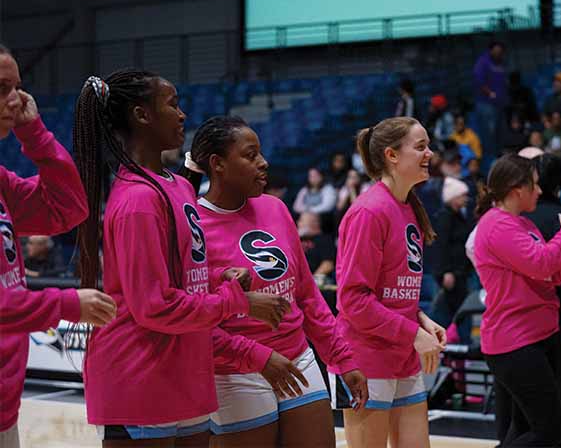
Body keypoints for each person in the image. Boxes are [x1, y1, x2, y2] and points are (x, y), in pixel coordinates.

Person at [73, 70, 289, 447]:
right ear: (142, 115)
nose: (183, 114)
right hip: (140, 377)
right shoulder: (138, 200)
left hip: (184, 373)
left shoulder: (176, 185)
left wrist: (222, 277)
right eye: (172, 104)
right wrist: (240, 303)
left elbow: (186, 273)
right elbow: (154, 305)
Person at [180, 116, 367, 447]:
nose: (263, 163)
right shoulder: (192, 224)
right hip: (234, 370)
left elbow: (307, 295)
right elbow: (193, 319)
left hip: (297, 355)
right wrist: (257, 357)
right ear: (218, 164)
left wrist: (342, 358)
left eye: (260, 153)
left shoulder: (276, 209)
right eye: (250, 155)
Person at [0, 45, 117, 448]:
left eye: (17, 87)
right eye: (1, 88)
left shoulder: (1, 182)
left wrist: (34, 133)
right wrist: (68, 304)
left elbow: (68, 208)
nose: (14, 101)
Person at [331, 116, 446, 448]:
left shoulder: (408, 206)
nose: (429, 154)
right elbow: (353, 301)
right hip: (364, 357)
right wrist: (413, 333)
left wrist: (422, 320)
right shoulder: (369, 211)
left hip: (402, 353)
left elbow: (392, 293)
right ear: (392, 155)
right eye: (421, 146)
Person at [472, 154, 561, 446]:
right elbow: (542, 263)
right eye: (535, 186)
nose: (540, 192)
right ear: (517, 189)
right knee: (549, 431)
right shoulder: (498, 226)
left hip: (535, 336)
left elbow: (554, 274)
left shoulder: (522, 224)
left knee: (524, 426)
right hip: (515, 340)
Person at [521, 153, 561, 447]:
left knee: (522, 417)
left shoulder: (515, 217)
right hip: (555, 324)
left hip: (518, 326)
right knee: (560, 410)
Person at [431, 177, 473, 327]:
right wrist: (446, 271)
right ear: (453, 197)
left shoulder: (459, 217)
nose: (466, 199)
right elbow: (441, 246)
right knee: (444, 314)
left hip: (460, 272)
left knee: (461, 313)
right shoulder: (444, 217)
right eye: (462, 195)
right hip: (450, 274)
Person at [473, 41, 508, 156]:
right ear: (491, 50)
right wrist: (490, 94)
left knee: (498, 134)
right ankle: (489, 161)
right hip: (486, 104)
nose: (499, 53)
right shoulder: (483, 62)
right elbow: (479, 80)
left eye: (500, 51)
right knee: (488, 135)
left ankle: (497, 158)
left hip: (498, 104)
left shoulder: (500, 62)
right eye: (496, 50)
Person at [297, 212, 336, 278]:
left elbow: (328, 264)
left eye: (302, 220)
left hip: (315, 282)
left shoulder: (324, 240)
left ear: (315, 223)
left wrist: (310, 281)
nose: (298, 223)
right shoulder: (297, 240)